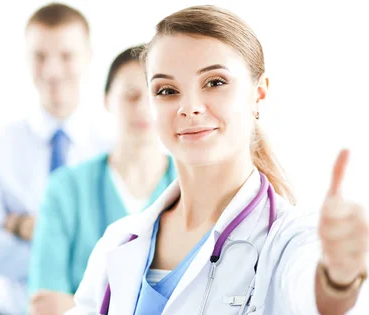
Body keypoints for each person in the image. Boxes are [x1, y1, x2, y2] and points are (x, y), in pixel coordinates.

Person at [68, 5, 369, 315]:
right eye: (167, 90)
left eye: (214, 82)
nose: (189, 107)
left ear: (259, 93)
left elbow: (317, 294)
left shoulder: (287, 240)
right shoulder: (118, 242)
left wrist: (339, 280)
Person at [0, 3, 110, 314]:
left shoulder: (113, 147)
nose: (53, 71)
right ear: (26, 58)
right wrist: (75, 248)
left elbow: (128, 250)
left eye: (66, 56)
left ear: (88, 57)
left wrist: (18, 225)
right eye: (40, 56)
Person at [27, 45, 176, 315]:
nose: (143, 107)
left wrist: (82, 306)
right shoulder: (66, 189)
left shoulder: (192, 186)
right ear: (108, 100)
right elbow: (45, 306)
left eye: (159, 94)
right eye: (131, 95)